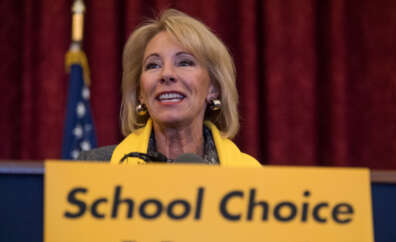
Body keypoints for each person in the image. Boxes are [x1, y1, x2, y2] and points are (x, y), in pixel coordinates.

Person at [78, 9, 260, 167]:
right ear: (141, 92)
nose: (166, 74)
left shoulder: (251, 176)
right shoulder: (96, 168)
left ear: (213, 88)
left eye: (184, 62)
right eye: (153, 65)